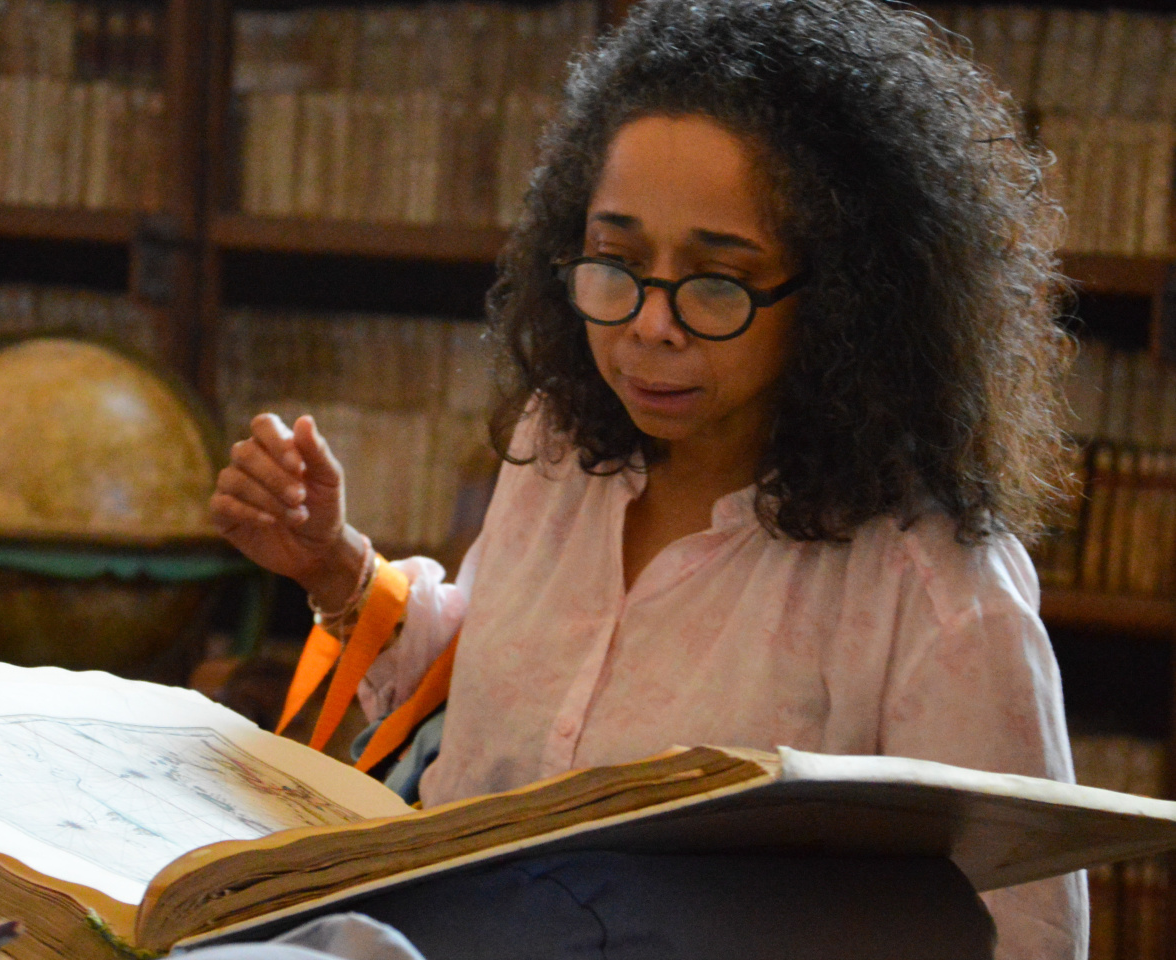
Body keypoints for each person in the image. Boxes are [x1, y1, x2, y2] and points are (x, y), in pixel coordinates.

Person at [209, 0, 1081, 957]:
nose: (648, 325)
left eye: (717, 281)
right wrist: (335, 568)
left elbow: (1023, 929)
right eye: (616, 262)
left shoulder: (935, 588)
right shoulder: (560, 447)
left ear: (841, 299)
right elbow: (493, 672)